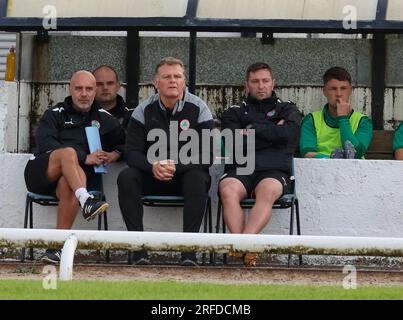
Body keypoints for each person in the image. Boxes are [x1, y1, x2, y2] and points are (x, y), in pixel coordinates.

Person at [117, 57, 214, 266]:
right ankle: (138, 250)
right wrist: (153, 166)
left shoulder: (199, 108)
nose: (173, 81)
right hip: (153, 175)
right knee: (127, 176)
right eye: (167, 77)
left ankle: (189, 252)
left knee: (197, 178)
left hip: (185, 178)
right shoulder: (143, 110)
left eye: (177, 76)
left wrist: (176, 166)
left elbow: (208, 154)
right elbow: (131, 153)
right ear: (156, 82)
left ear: (184, 81)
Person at [24, 70, 125, 264]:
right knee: (69, 153)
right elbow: (46, 144)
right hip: (42, 173)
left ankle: (56, 249)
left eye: (88, 89)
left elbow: (127, 143)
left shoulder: (105, 119)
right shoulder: (54, 114)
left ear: (95, 91)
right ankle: (86, 199)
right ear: (70, 89)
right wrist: (84, 157)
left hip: (74, 181)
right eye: (79, 88)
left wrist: (114, 154)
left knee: (68, 186)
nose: (84, 94)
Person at [219, 62, 302, 267]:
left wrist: (252, 130)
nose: (261, 86)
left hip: (274, 170)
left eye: (265, 81)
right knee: (228, 190)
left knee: (267, 190)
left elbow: (289, 135)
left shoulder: (288, 108)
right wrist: (273, 133)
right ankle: (247, 249)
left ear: (273, 83)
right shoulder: (234, 111)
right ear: (246, 85)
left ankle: (241, 245)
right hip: (241, 168)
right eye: (255, 81)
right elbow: (232, 141)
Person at [299, 67, 373, 159]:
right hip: (320, 170)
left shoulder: (363, 121)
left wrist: (343, 119)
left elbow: (356, 154)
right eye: (333, 89)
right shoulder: (311, 120)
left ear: (350, 90)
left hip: (353, 171)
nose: (338, 93)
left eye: (343, 88)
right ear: (324, 91)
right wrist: (333, 160)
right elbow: (307, 153)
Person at [93, 65, 134, 130]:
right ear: (92, 87)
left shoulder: (134, 115)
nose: (105, 88)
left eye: (110, 83)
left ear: (118, 86)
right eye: (99, 84)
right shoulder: (82, 114)